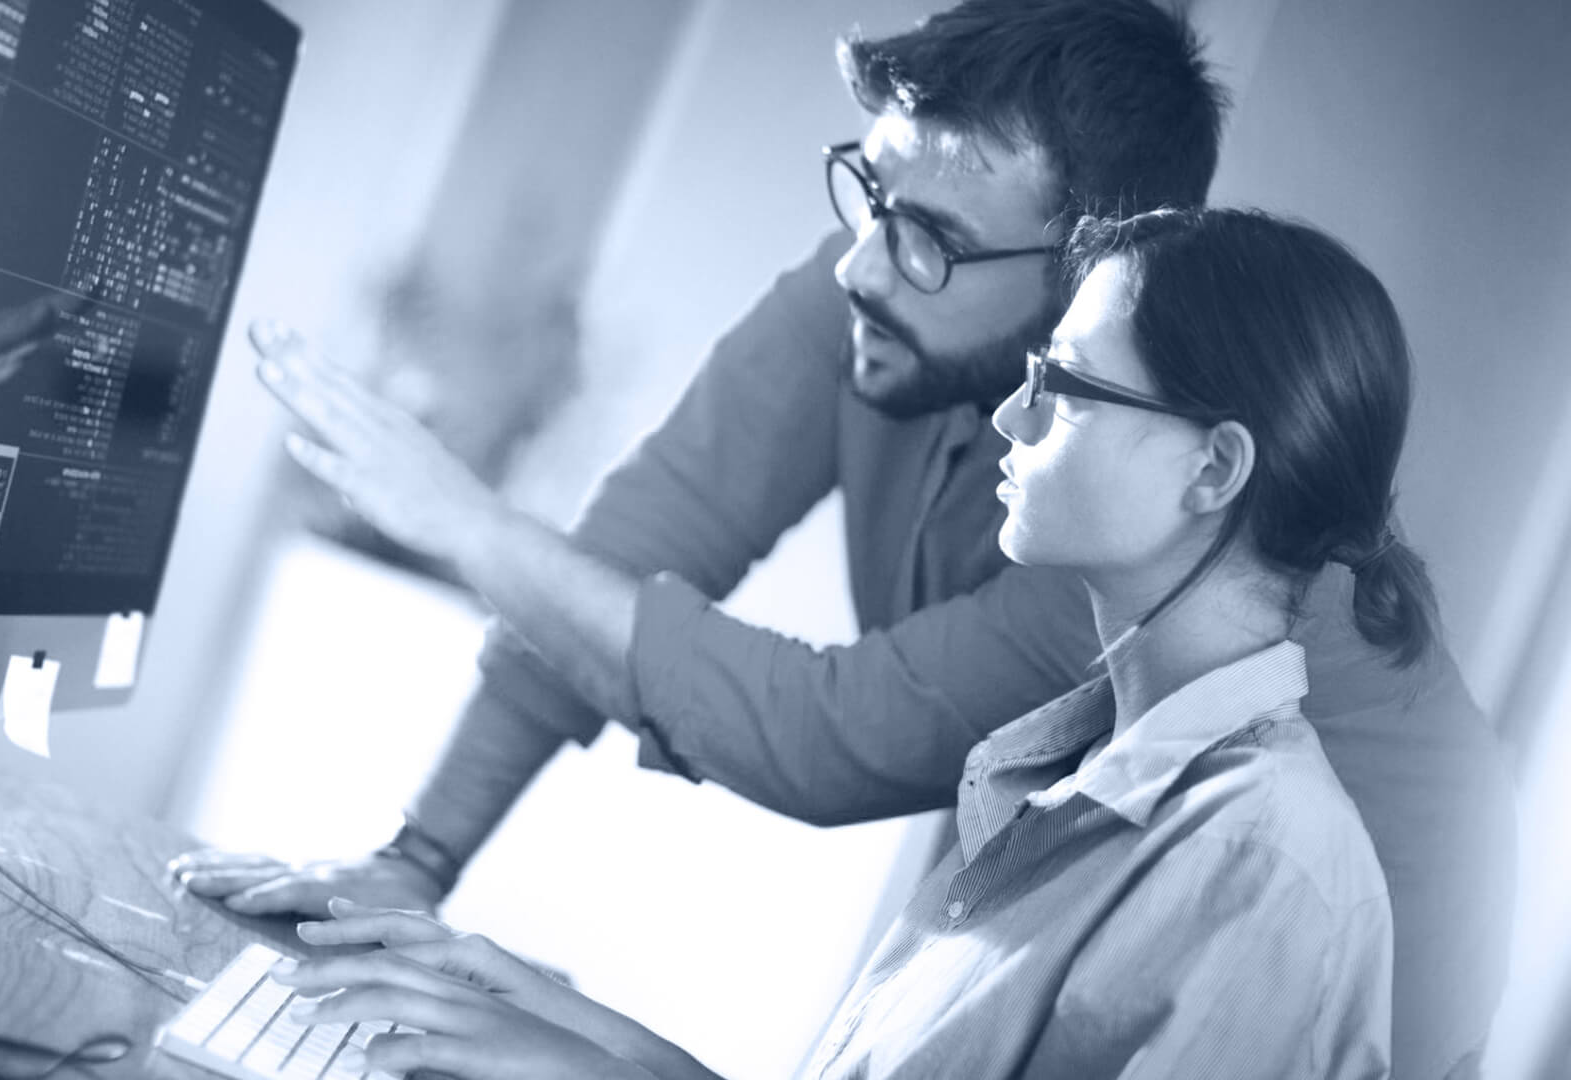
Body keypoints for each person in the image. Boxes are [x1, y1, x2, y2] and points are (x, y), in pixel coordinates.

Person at [172, 2, 1513, 1075]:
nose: (861, 263)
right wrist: (423, 876)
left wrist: (465, 521)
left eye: (927, 237)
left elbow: (823, 736)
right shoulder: (897, 308)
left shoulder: (1163, 575)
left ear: (1085, 274)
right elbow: (639, 544)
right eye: (869, 192)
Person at [257, 207, 1415, 1078]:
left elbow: (815, 730)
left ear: (1213, 469)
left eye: (1064, 386)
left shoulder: (1265, 872)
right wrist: (552, 1015)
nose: (1010, 416)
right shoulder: (1074, 768)